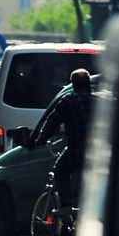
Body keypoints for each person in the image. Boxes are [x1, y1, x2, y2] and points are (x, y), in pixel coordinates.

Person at [32, 68, 94, 209]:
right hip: (99, 153)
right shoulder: (98, 101)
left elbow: (52, 123)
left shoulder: (68, 101)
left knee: (60, 170)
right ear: (88, 83)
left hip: (77, 150)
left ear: (73, 84)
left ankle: (66, 206)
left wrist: (40, 140)